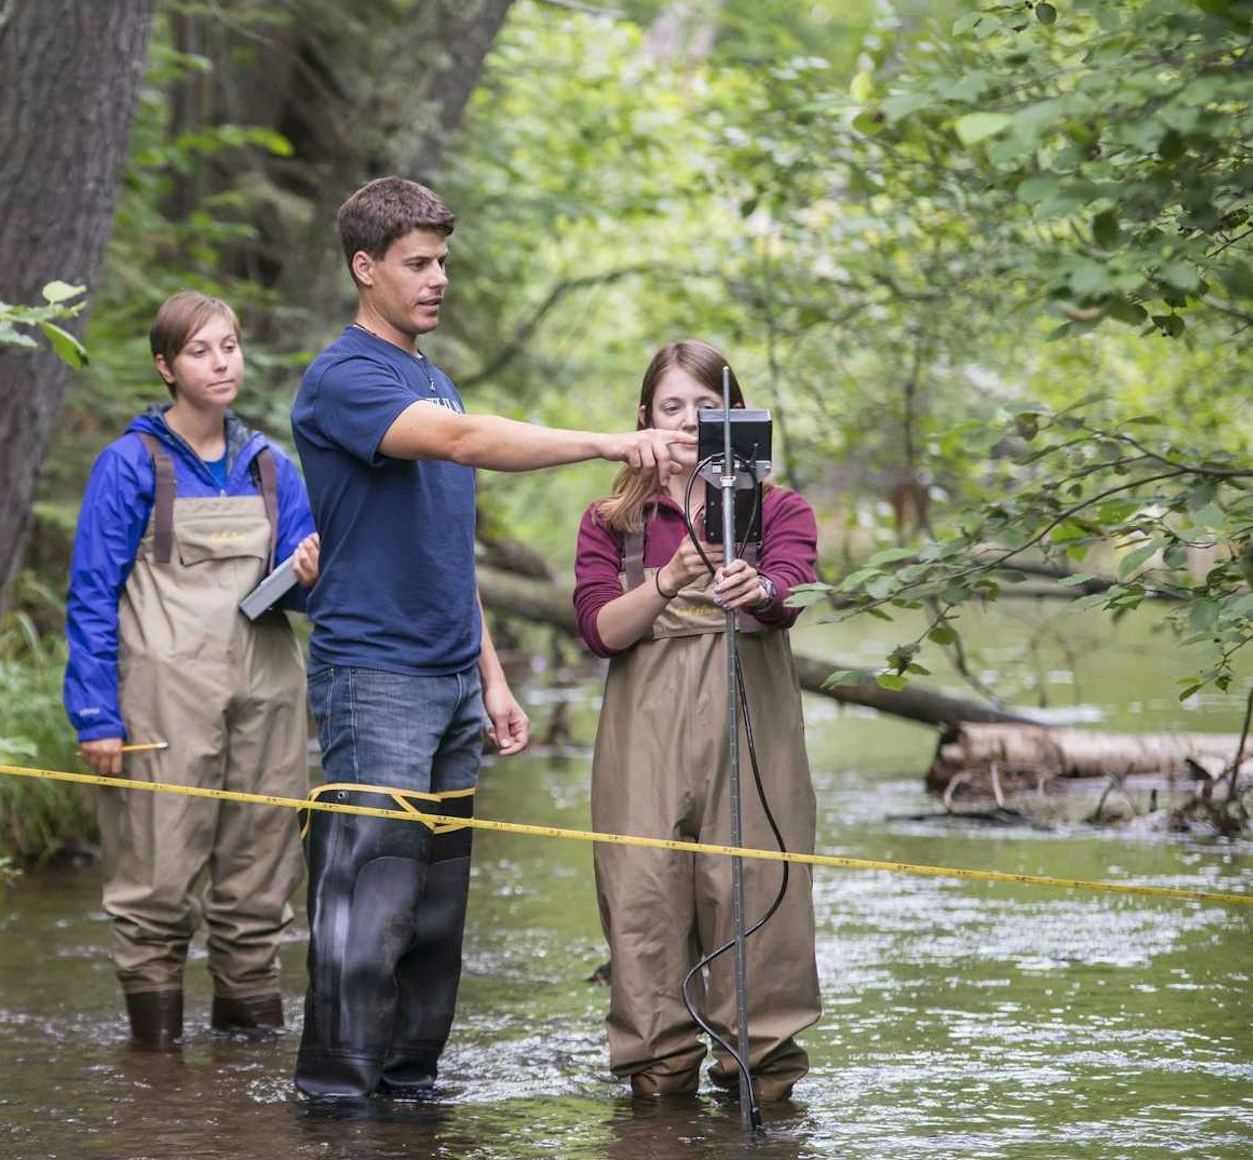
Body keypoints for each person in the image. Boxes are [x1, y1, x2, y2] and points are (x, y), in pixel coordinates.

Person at [288, 176, 691, 1099]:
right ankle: (340, 1099)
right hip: (373, 676)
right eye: (416, 264)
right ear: (365, 268)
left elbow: (445, 553)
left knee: (434, 916)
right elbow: (465, 442)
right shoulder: (345, 376)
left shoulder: (436, 376)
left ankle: (410, 1090)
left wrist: (495, 679)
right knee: (369, 902)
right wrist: (606, 442)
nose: (437, 281)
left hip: (451, 682)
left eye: (443, 264)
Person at [64, 290, 322, 1051]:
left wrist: (308, 572)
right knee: (156, 878)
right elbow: (89, 598)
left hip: (269, 695)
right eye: (202, 350)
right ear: (167, 366)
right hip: (161, 702)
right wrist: (96, 717)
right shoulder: (128, 463)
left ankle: (244, 1083)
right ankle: (158, 1079)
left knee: (260, 882)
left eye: (231, 347)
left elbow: (308, 595)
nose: (221, 362)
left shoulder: (273, 467)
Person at [570, 339, 822, 1103]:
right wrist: (665, 580)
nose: (687, 425)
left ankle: (764, 1077)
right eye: (672, 408)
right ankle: (658, 1081)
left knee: (752, 889)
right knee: (644, 895)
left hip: (752, 730)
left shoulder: (779, 509)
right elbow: (597, 629)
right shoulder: (614, 518)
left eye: (706, 411)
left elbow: (798, 587)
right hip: (641, 738)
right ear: (644, 419)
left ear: (735, 419)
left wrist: (761, 586)